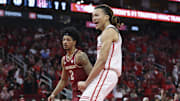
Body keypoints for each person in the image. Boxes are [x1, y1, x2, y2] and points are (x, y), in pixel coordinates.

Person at [78, 4, 122, 101]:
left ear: (106, 17)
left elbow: (102, 60)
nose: (93, 18)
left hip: (107, 72)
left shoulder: (109, 31)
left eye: (97, 15)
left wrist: (86, 83)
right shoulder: (106, 32)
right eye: (93, 16)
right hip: (105, 74)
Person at [48, 27, 92, 101]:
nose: (65, 42)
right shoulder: (64, 60)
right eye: (64, 40)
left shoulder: (80, 56)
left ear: (74, 42)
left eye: (68, 40)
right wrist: (53, 94)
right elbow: (63, 80)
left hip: (86, 93)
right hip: (75, 94)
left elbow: (93, 75)